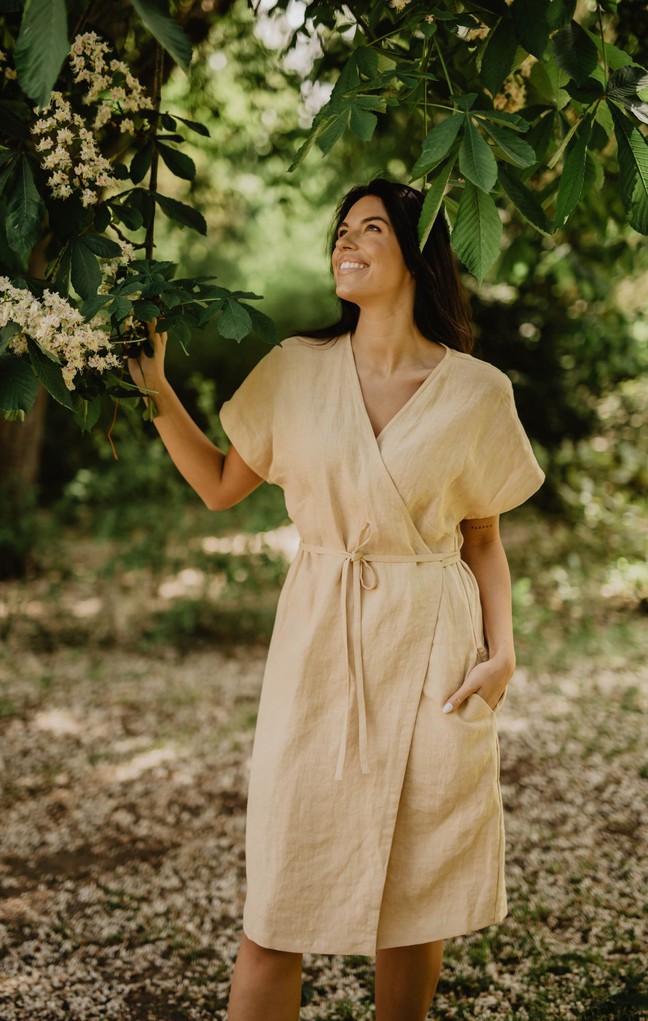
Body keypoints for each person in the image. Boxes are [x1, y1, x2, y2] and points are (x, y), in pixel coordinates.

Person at [128, 178, 545, 1021]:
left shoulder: (476, 391)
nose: (346, 243)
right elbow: (217, 484)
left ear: (418, 253)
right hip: (319, 640)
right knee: (276, 906)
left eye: (371, 228)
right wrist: (154, 385)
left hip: (433, 646)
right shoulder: (295, 367)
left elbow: (484, 539)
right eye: (341, 229)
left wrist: (503, 654)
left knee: (415, 889)